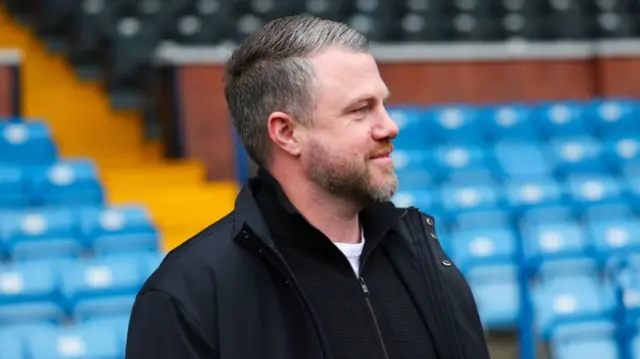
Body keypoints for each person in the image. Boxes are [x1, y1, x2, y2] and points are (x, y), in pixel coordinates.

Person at [125, 15, 491, 359]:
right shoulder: (188, 295)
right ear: (286, 133)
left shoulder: (425, 259)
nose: (389, 126)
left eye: (383, 104)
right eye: (360, 110)